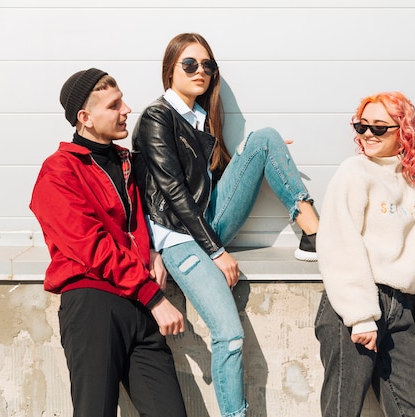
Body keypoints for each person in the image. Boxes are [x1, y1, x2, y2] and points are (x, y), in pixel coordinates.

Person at [131, 33, 319, 417]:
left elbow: (207, 185)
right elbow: (175, 192)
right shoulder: (157, 116)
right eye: (190, 64)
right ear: (170, 70)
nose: (200, 71)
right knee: (230, 337)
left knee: (264, 139)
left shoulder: (199, 117)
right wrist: (216, 251)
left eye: (207, 66)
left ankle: (314, 234)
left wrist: (253, 159)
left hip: (206, 222)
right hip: (179, 238)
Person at [30, 68, 187, 417]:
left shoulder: (128, 162)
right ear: (85, 118)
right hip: (94, 304)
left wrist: (153, 249)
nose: (127, 109)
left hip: (138, 303)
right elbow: (92, 246)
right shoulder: (58, 172)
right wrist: (154, 296)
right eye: (114, 105)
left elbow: (163, 201)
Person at [314, 92, 415, 417]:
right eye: (361, 126)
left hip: (400, 307)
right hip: (354, 307)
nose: (367, 134)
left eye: (379, 128)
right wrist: (361, 315)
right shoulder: (354, 172)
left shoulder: (410, 179)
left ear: (403, 132)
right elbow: (338, 242)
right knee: (342, 410)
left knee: (413, 410)